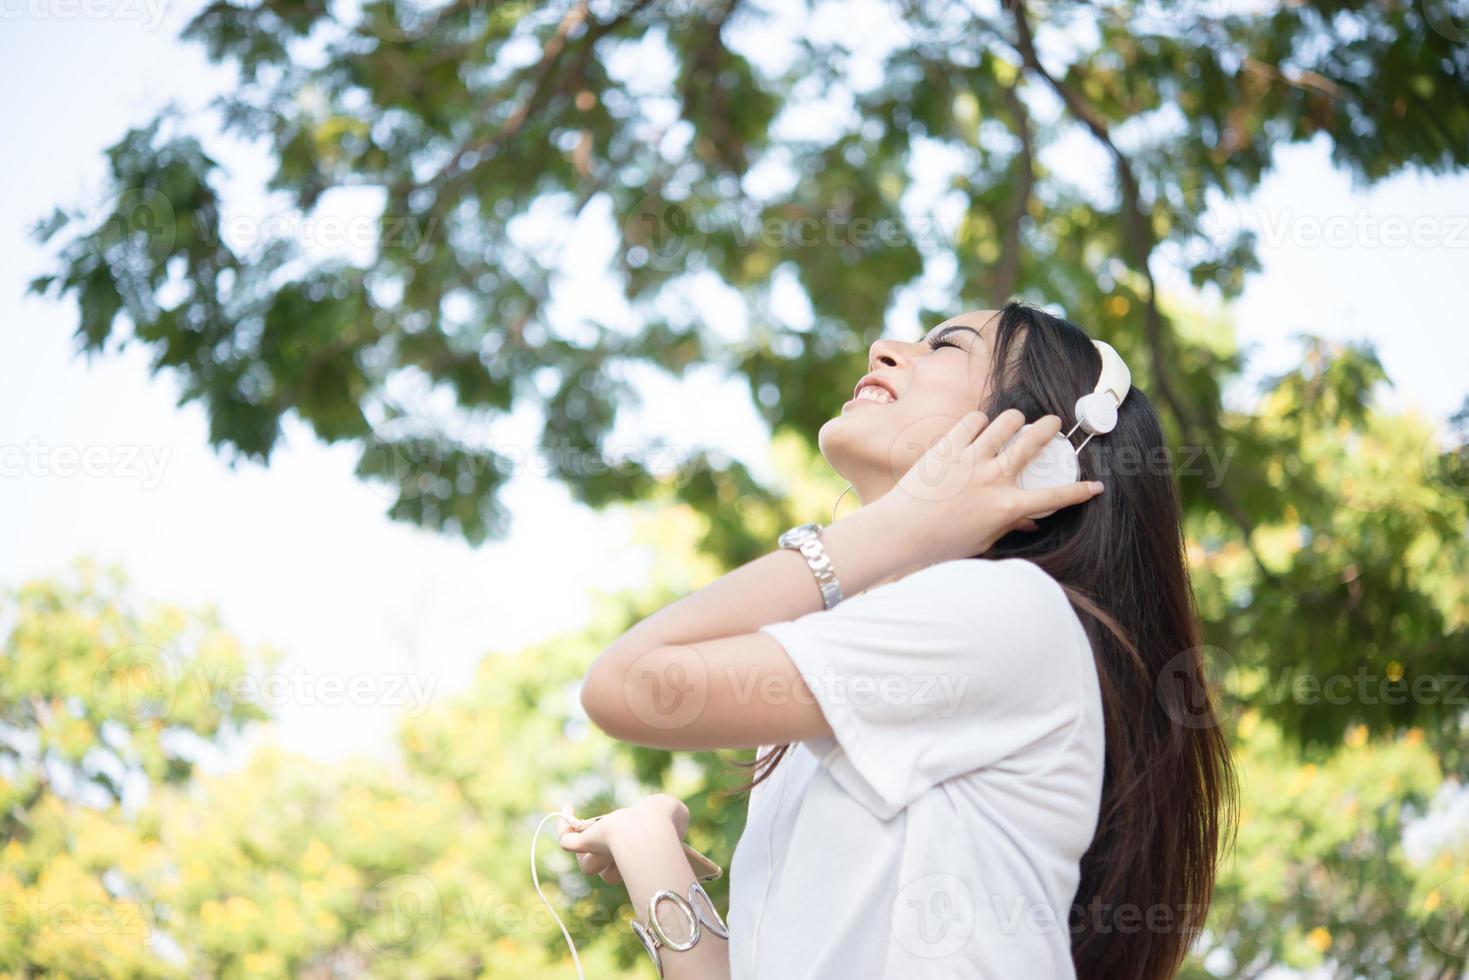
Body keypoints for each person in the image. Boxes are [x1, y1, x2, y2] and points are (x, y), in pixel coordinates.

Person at [560, 301, 1238, 978]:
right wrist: (647, 843)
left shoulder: (1006, 612)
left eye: (946, 347)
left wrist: (905, 524)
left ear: (1043, 453)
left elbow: (629, 686)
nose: (882, 348)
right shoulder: (813, 718)